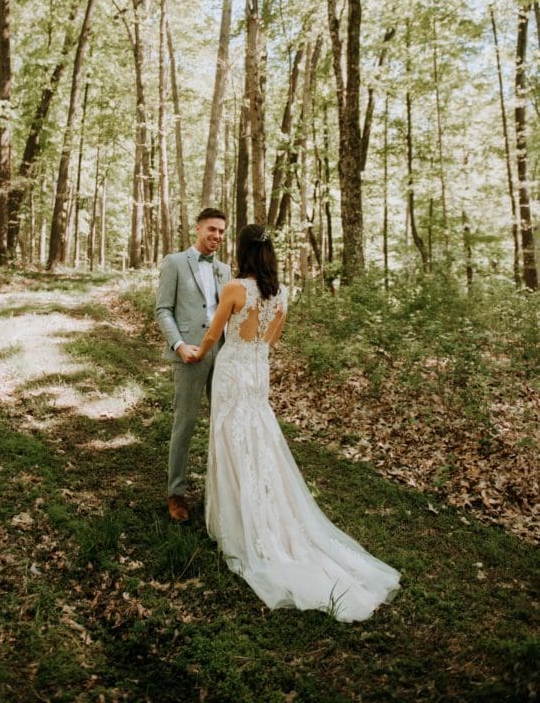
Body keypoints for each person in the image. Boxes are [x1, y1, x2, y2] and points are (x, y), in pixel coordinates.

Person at [189, 223, 400, 622]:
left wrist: (192, 354)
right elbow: (270, 341)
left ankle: (240, 523)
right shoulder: (282, 294)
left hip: (234, 371)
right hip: (258, 372)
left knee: (231, 439)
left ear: (244, 251)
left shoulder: (235, 288)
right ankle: (268, 511)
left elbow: (214, 334)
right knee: (259, 442)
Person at [155, 207, 231, 523]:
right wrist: (179, 344)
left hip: (223, 354)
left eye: (222, 232)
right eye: (212, 229)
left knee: (223, 424)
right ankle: (176, 493)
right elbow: (163, 310)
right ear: (198, 228)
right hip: (190, 354)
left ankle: (222, 492)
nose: (216, 236)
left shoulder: (225, 270)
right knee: (184, 423)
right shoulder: (174, 263)